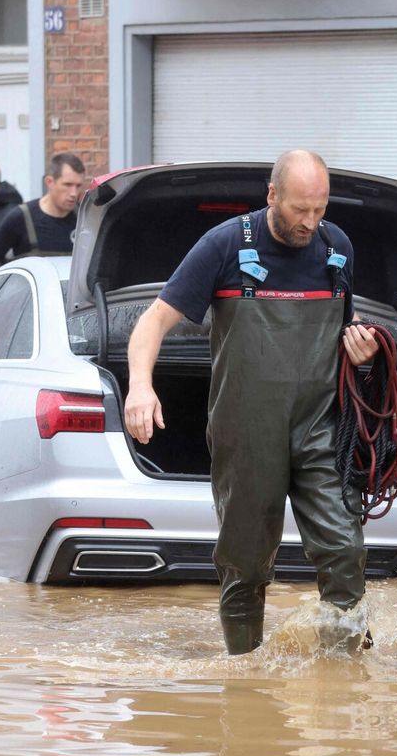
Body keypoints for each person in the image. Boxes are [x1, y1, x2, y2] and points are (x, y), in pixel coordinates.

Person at [123, 149, 380, 656]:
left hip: (319, 427)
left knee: (345, 551)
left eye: (319, 209)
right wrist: (139, 385)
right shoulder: (223, 246)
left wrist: (366, 353)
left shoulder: (338, 246)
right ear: (272, 197)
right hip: (246, 430)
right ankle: (244, 682)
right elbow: (152, 322)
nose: (310, 222)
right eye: (299, 209)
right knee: (245, 564)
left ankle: (344, 681)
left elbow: (347, 333)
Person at [0, 152, 86, 287]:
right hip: (31, 304)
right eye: (67, 185)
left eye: (78, 186)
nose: (74, 193)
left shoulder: (84, 219)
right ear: (50, 182)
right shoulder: (21, 218)